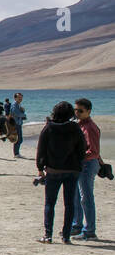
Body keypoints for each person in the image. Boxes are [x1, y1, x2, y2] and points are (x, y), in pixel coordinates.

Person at [35, 101, 83, 244]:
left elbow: (41, 149)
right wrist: (78, 164)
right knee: (69, 204)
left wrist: (40, 168)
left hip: (53, 170)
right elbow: (81, 148)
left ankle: (48, 235)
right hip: (72, 170)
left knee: (50, 203)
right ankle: (66, 236)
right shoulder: (75, 128)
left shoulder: (49, 128)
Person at [71, 98, 102, 240]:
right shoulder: (80, 125)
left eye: (80, 111)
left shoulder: (90, 127)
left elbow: (94, 151)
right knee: (77, 196)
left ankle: (89, 231)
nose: (77, 113)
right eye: (75, 110)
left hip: (87, 165)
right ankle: (77, 226)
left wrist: (77, 156)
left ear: (88, 111)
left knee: (86, 198)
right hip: (81, 164)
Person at [7, 93, 27, 158]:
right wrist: (24, 115)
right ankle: (16, 153)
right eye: (19, 97)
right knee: (19, 139)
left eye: (21, 98)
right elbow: (16, 113)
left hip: (18, 123)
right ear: (15, 98)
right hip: (15, 124)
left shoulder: (18, 104)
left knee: (19, 139)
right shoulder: (14, 105)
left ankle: (16, 153)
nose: (20, 99)